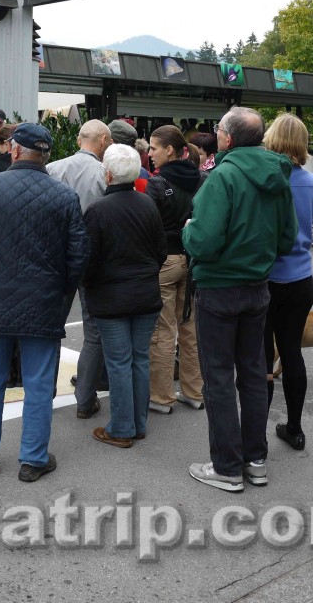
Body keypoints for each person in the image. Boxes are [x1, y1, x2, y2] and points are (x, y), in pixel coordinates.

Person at [0, 123, 88, 482]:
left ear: (14, 150)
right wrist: (61, 295)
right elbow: (78, 257)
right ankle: (32, 457)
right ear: (45, 154)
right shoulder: (64, 195)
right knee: (40, 382)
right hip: (43, 300)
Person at [182, 107, 297, 492]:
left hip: (219, 288)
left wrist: (188, 232)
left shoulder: (223, 177)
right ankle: (255, 459)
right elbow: (286, 240)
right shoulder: (278, 177)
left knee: (217, 378)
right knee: (252, 374)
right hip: (258, 287)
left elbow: (204, 241)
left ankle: (227, 467)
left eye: (217, 129)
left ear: (227, 138)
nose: (215, 134)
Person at [82, 144, 166, 447]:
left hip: (110, 297)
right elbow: (159, 252)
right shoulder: (148, 204)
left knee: (118, 362)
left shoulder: (97, 210)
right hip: (145, 293)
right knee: (139, 359)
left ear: (107, 173)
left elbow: (88, 260)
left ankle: (121, 428)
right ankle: (137, 424)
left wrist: (88, 284)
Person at [47, 119, 112, 419]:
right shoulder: (103, 173)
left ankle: (43, 389)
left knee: (49, 326)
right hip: (90, 258)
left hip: (55, 257)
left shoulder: (53, 169)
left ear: (78, 140)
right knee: (93, 330)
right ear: (102, 140)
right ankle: (85, 398)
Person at [263, 113, 313, 451]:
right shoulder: (311, 182)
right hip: (300, 276)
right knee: (292, 352)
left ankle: (257, 430)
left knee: (262, 356)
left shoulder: (269, 181)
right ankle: (295, 428)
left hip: (268, 277)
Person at [144, 125, 204, 414]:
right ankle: (194, 392)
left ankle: (162, 396)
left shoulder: (156, 184)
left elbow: (151, 228)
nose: (149, 153)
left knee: (163, 331)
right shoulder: (203, 179)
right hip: (192, 259)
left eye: (153, 148)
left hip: (165, 261)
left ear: (169, 150)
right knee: (189, 329)